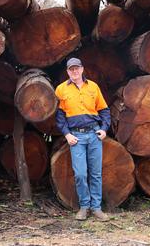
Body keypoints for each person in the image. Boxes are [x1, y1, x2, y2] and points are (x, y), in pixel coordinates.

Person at [55, 57, 111, 221]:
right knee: (80, 173)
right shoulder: (61, 90)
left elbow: (104, 110)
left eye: (77, 68)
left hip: (94, 135)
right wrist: (67, 134)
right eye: (71, 69)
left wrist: (104, 129)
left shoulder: (93, 87)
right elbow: (59, 116)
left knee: (95, 173)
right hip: (76, 137)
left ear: (82, 69)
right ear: (67, 72)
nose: (74, 71)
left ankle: (97, 208)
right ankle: (84, 207)